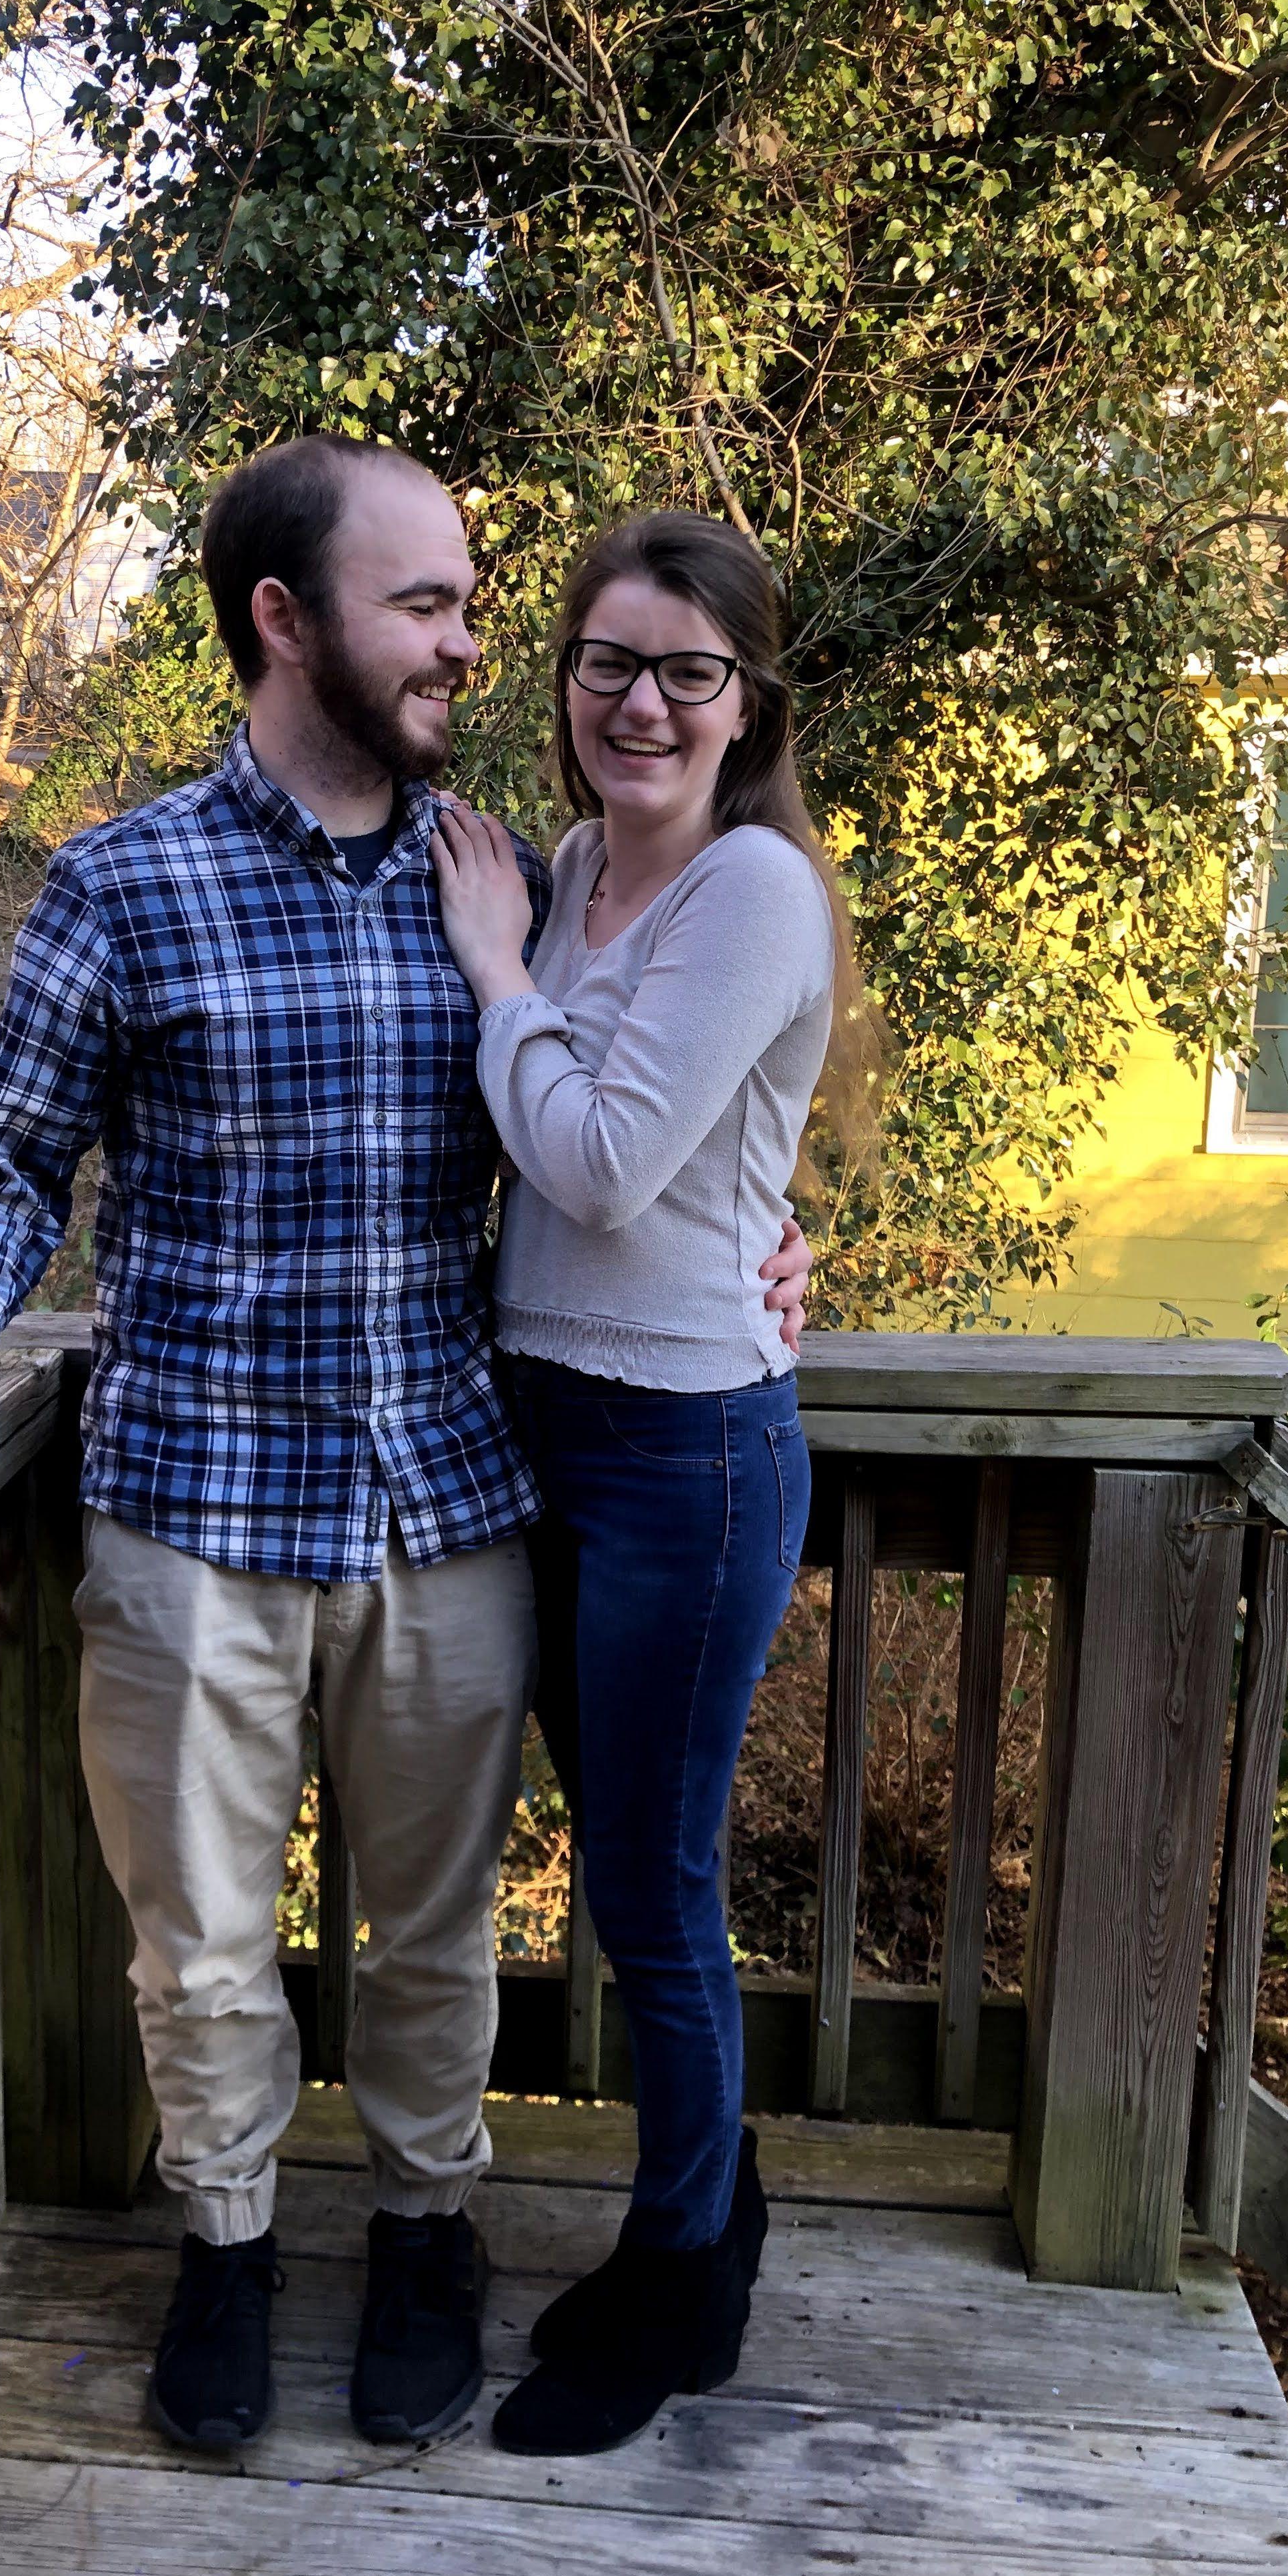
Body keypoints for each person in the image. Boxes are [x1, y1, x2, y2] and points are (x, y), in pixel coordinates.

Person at [0, 437, 813, 2456]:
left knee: (436, 1939)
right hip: (194, 1509)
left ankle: (427, 2234)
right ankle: (231, 2245)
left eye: (469, 605)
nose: (465, 644)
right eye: (423, 604)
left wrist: (775, 1241)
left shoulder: (503, 883)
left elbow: (648, 1115)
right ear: (285, 619)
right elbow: (2, 1169)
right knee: (199, 1951)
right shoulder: (123, 884)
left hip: (451, 1505)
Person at [429, 507, 879, 2458]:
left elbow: (603, 1164)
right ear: (567, 680)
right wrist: (516, 953)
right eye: (609, 662)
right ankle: (718, 2201)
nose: (643, 703)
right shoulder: (564, 870)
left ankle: (686, 2276)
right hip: (540, 1423)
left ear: (746, 702)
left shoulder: (750, 888)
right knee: (616, 1858)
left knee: (653, 1888)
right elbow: (605, 1153)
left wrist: (490, 971)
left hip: (685, 1450)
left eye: (689, 672)